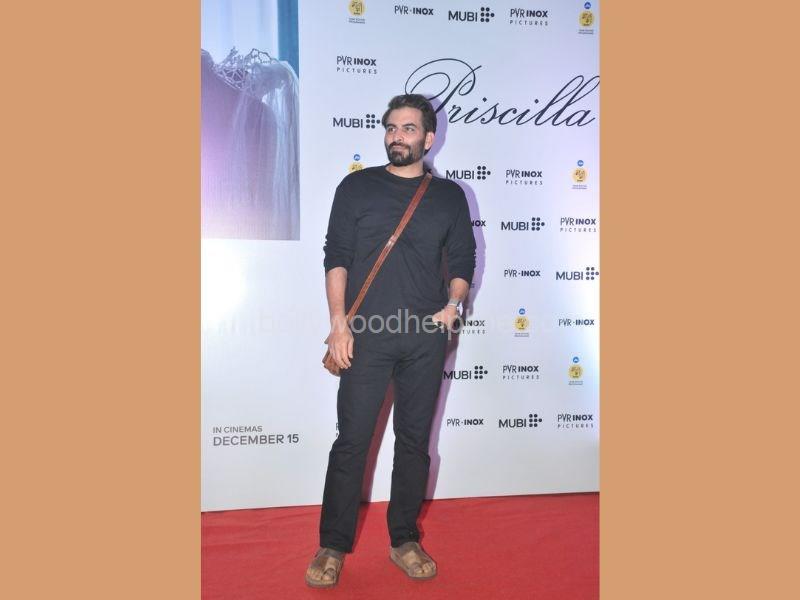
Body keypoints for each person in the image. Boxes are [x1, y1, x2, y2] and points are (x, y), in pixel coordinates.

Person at [305, 94, 477, 588]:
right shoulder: (356, 187)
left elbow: (463, 260)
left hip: (425, 337)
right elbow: (336, 256)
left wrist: (454, 304)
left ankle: (404, 539)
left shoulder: (449, 196)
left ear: (429, 138)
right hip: (366, 336)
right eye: (391, 128)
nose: (396, 137)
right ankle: (332, 545)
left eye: (408, 129)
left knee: (415, 443)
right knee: (352, 442)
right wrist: (339, 324)